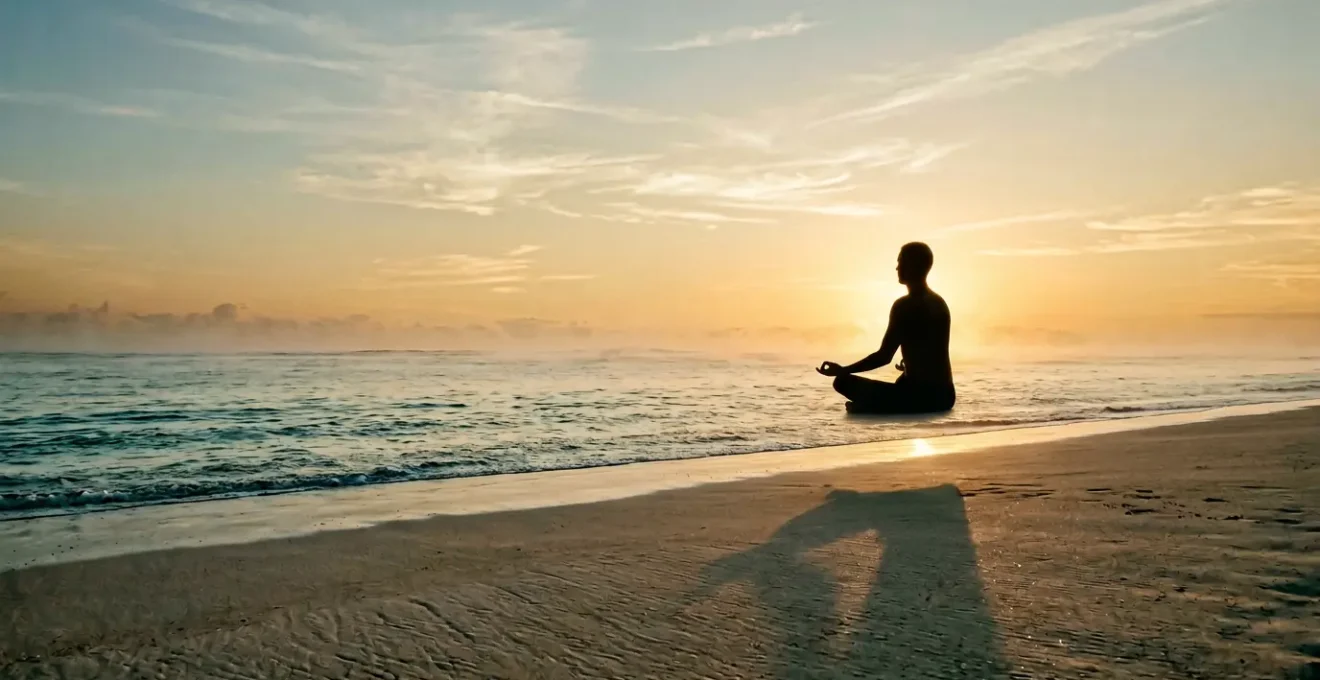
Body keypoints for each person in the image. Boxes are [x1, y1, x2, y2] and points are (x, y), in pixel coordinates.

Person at [817, 242, 955, 414]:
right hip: (945, 397)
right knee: (902, 382)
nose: (897, 268)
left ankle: (871, 407)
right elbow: (931, 351)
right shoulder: (939, 303)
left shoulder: (904, 306)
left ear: (913, 265)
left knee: (842, 381)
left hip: (920, 398)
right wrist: (911, 367)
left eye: (900, 262)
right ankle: (873, 406)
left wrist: (843, 370)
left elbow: (883, 357)